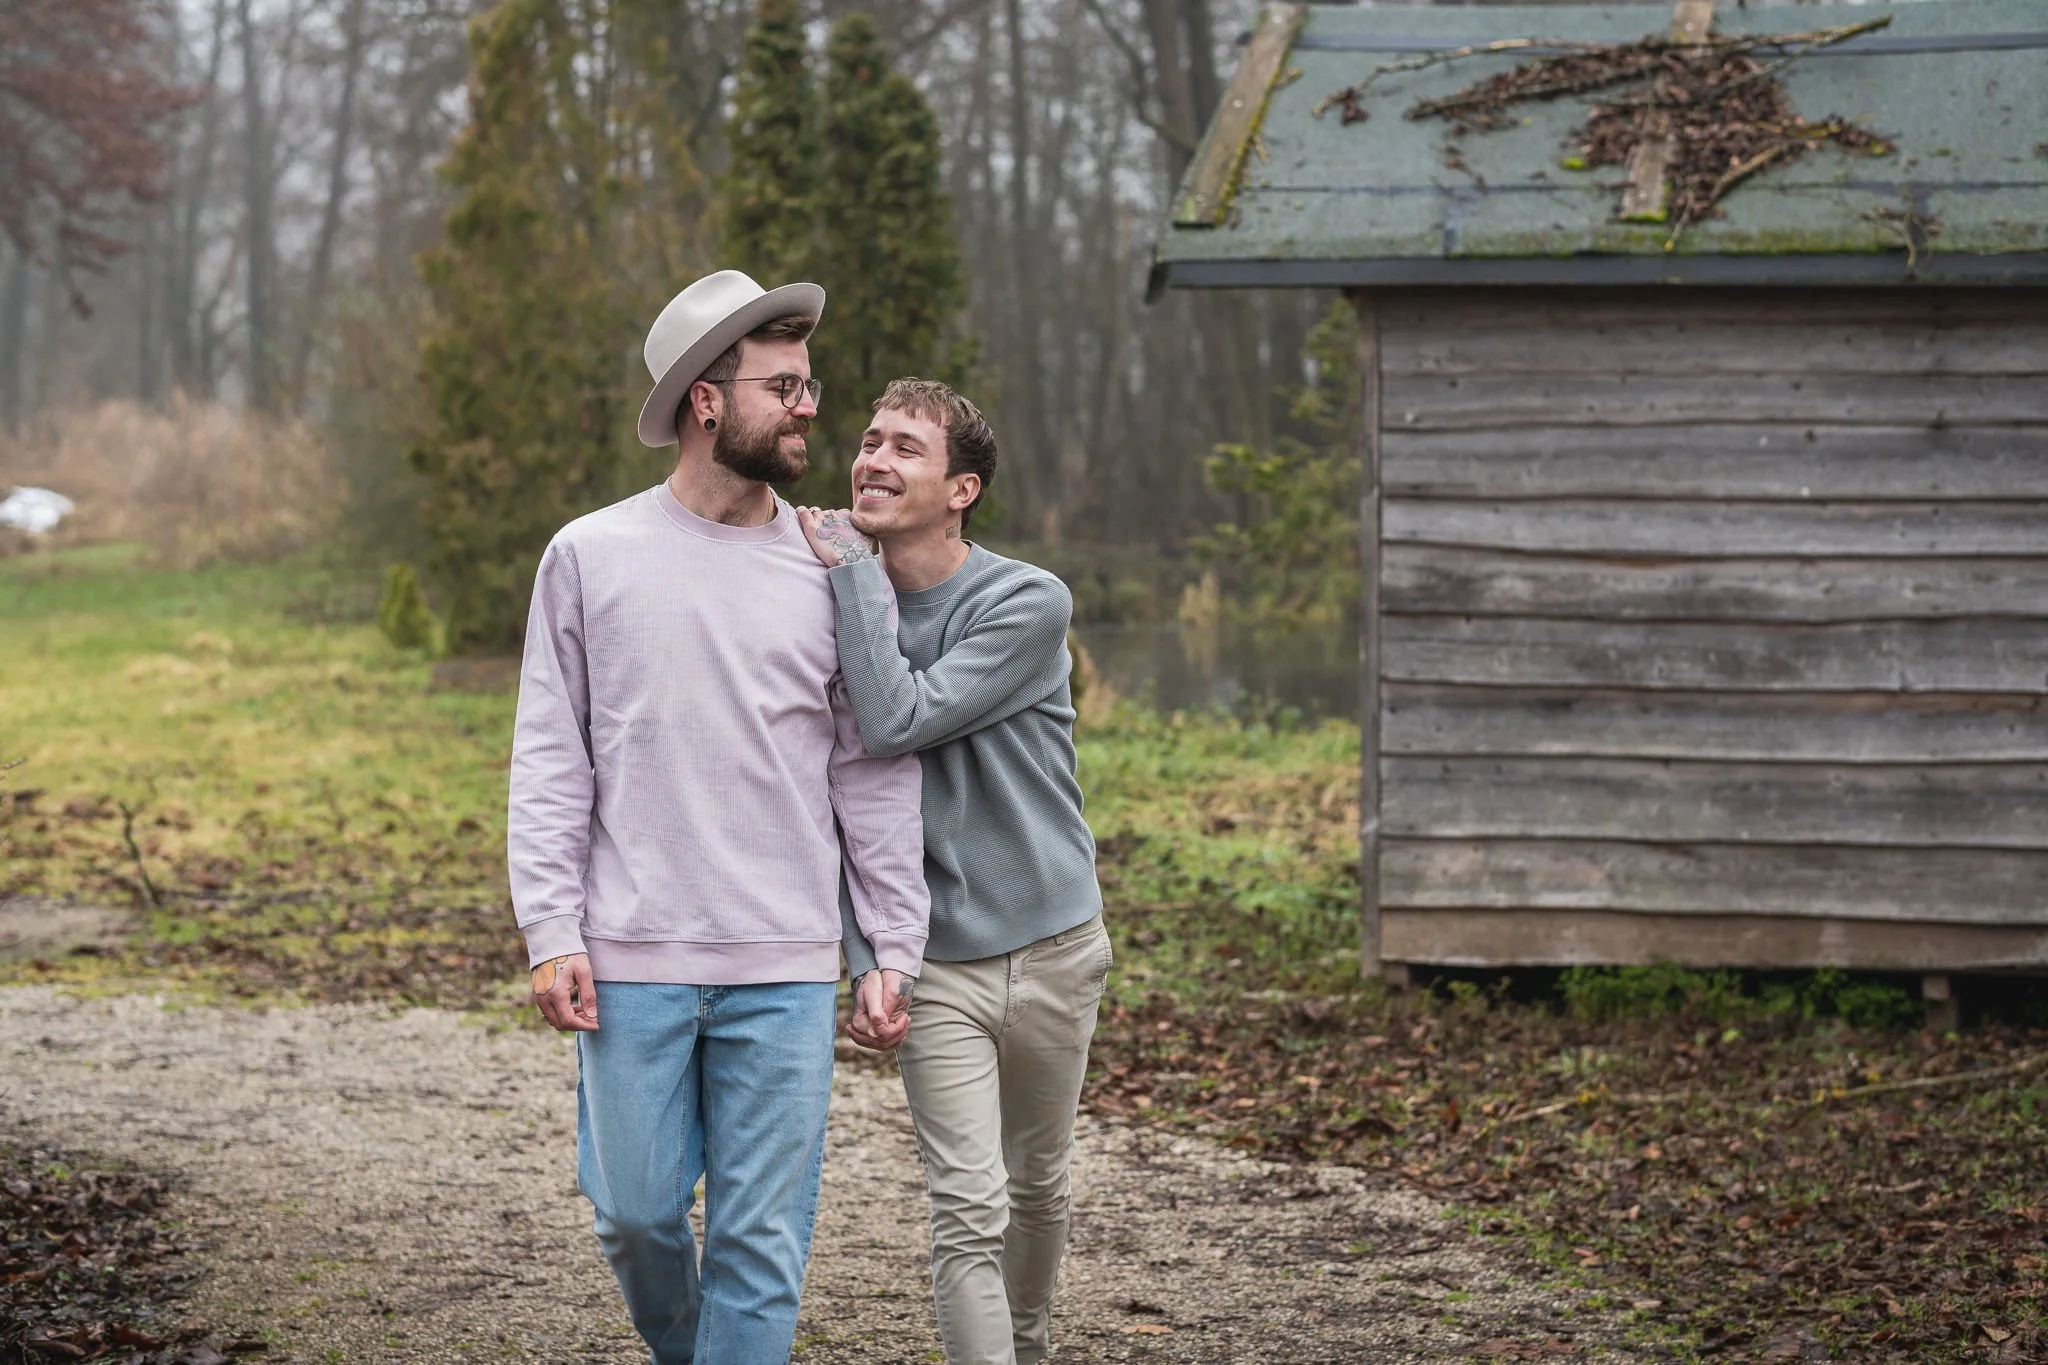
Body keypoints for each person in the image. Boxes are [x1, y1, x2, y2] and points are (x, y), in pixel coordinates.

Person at [509, 270, 930, 1365]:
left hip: (786, 962)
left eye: (808, 384)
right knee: (635, 1215)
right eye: (781, 386)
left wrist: (890, 944)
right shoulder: (589, 555)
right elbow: (551, 756)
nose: (807, 409)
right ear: (705, 400)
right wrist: (552, 928)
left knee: (760, 1242)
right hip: (633, 952)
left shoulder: (839, 565)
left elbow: (872, 771)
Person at [797, 379, 1109, 1365]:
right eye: (866, 440)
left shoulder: (1023, 602)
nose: (871, 460)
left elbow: (896, 718)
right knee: (967, 1208)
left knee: (1040, 1185)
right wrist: (866, 953)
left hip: (1055, 946)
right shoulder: (829, 598)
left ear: (961, 488)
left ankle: (1029, 1341)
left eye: (903, 449)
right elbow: (832, 791)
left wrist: (850, 575)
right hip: (933, 963)